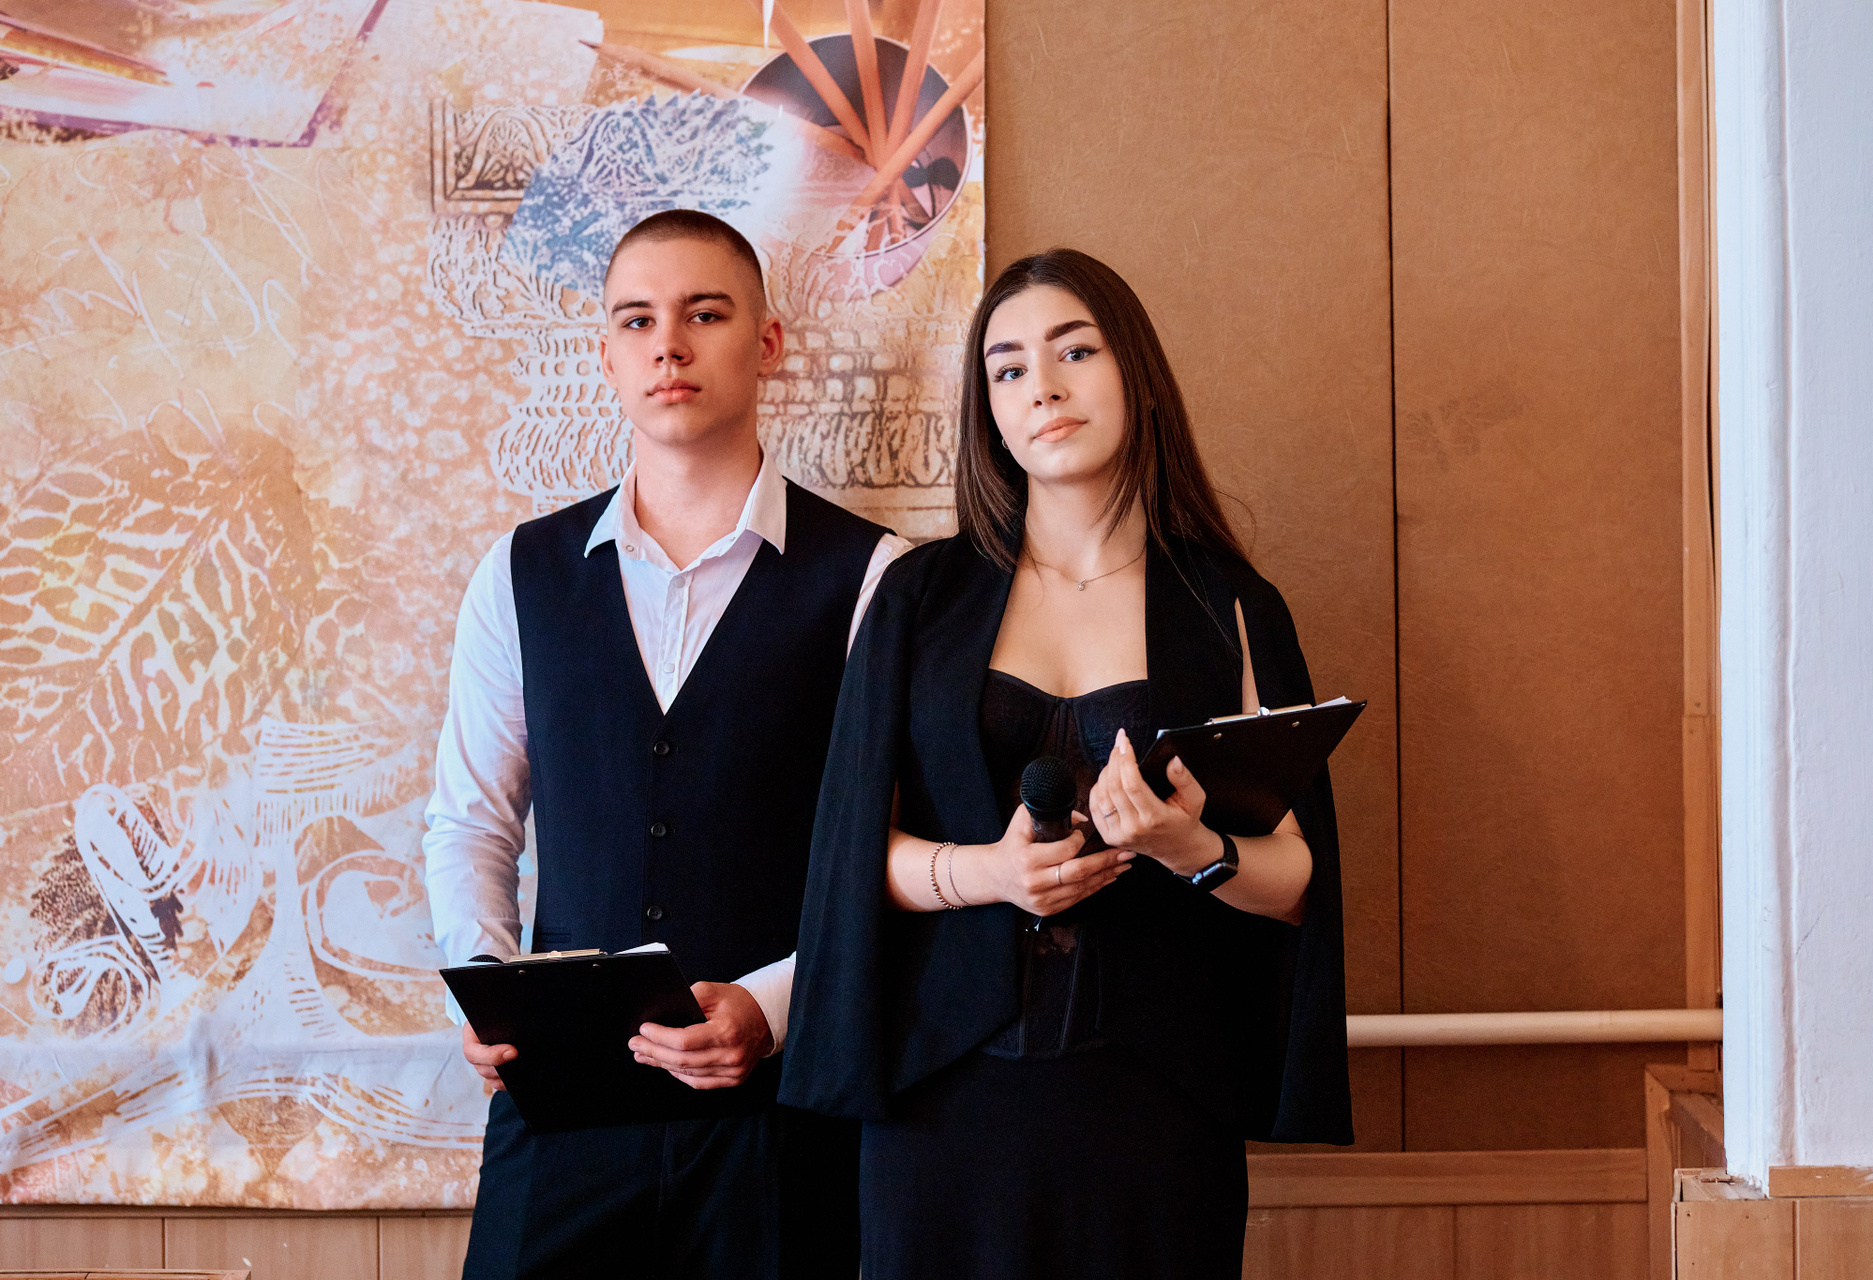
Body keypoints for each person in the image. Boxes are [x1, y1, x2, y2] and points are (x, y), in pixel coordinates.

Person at [780, 248, 1353, 1280]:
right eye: (1007, 368)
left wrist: (1191, 845)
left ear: (1137, 374)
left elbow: (1303, 881)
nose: (1040, 386)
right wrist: (989, 873)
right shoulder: (919, 597)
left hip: (1156, 1102)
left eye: (1074, 351)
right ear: (990, 412)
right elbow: (848, 857)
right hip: (940, 1097)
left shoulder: (1231, 606)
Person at [423, 208, 907, 1280]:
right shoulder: (520, 573)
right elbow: (471, 820)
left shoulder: (874, 577)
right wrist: (488, 981)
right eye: (637, 320)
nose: (669, 345)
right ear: (606, 354)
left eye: (705, 314)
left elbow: (891, 857)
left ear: (767, 343)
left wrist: (771, 1012)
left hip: (779, 1121)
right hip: (557, 1114)